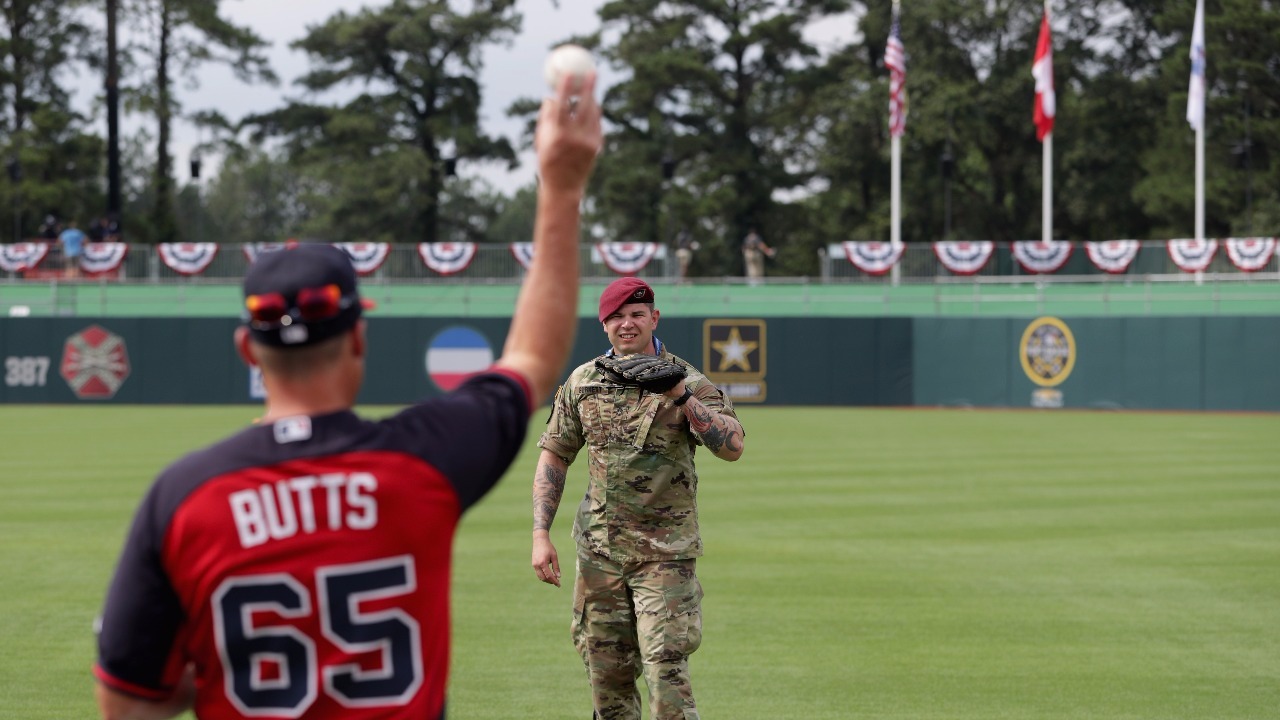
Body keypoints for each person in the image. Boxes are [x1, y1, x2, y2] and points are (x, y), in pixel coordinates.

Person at [92, 72, 603, 720]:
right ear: (359, 338)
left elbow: (127, 706)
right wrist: (561, 185)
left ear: (247, 352)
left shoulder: (185, 497)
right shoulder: (423, 463)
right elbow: (531, 359)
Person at [531, 277, 747, 720]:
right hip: (599, 553)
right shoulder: (583, 380)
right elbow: (555, 455)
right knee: (605, 673)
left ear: (654, 318)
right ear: (604, 325)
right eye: (617, 317)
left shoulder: (686, 378)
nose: (627, 324)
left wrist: (681, 397)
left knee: (666, 670)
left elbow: (732, 447)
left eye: (636, 314)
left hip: (665, 553)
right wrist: (540, 533)